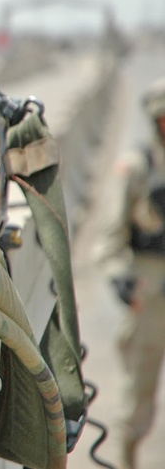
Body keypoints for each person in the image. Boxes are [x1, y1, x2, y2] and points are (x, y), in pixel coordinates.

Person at [98, 76, 165, 469]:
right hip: (151, 287)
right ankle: (127, 458)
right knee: (139, 390)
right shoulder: (138, 167)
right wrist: (121, 276)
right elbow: (111, 235)